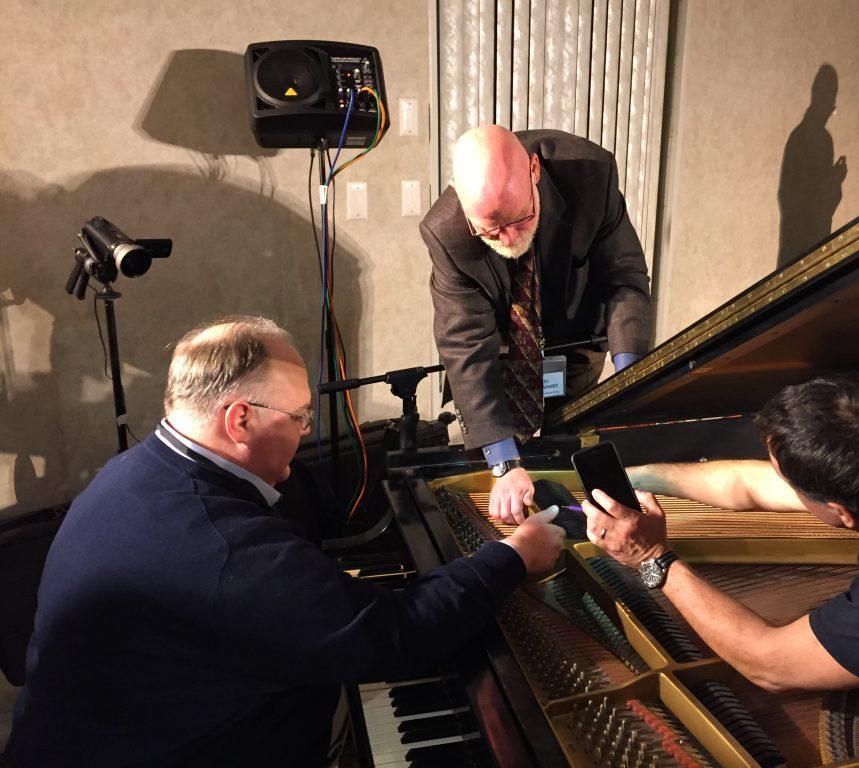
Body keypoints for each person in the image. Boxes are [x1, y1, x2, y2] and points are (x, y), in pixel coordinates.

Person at [6, 316, 564, 768]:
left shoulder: (131, 470)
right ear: (239, 419)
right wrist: (512, 555)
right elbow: (395, 634)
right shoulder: (222, 545)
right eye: (298, 418)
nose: (304, 433)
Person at [583, 373, 859, 702]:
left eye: (787, 478)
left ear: (842, 513)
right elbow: (749, 485)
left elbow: (769, 665)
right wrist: (636, 478)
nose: (775, 478)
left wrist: (651, 558)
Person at [420, 126, 651, 527]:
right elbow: (465, 343)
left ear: (534, 170)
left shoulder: (591, 176)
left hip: (574, 339)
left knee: (573, 458)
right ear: (457, 191)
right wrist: (503, 462)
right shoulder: (445, 231)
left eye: (520, 218)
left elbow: (624, 278)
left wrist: (632, 378)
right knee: (508, 481)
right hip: (502, 356)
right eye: (490, 230)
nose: (508, 239)